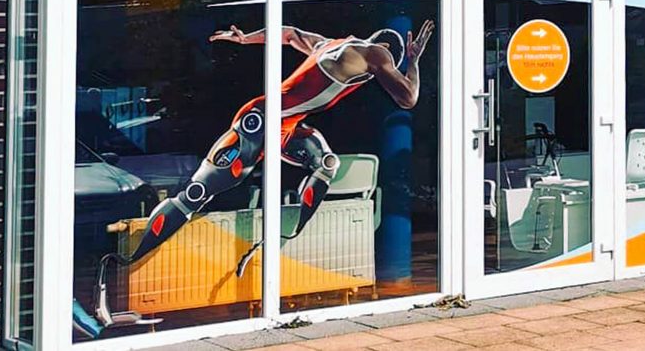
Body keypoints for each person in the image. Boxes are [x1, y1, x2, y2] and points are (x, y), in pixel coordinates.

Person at [125, 19, 435, 264]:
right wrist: (413, 61)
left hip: (284, 125)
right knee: (196, 193)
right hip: (261, 120)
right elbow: (408, 98)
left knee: (325, 162)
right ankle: (131, 259)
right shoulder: (377, 53)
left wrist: (246, 39)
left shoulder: (329, 44)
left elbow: (289, 34)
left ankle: (285, 235)